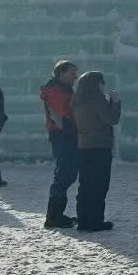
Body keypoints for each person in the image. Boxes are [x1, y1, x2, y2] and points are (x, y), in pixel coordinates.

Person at [72, 71, 121, 232]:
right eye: (102, 82)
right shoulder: (97, 100)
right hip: (100, 147)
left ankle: (83, 220)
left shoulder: (78, 101)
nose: (103, 85)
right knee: (99, 186)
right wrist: (115, 102)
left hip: (83, 147)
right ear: (96, 84)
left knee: (85, 185)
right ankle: (95, 221)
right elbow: (112, 119)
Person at [40, 60, 80, 228]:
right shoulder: (54, 91)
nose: (75, 77)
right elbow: (59, 117)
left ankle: (56, 214)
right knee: (64, 174)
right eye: (72, 73)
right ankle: (53, 216)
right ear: (61, 73)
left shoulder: (64, 90)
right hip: (62, 135)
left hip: (66, 134)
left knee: (68, 173)